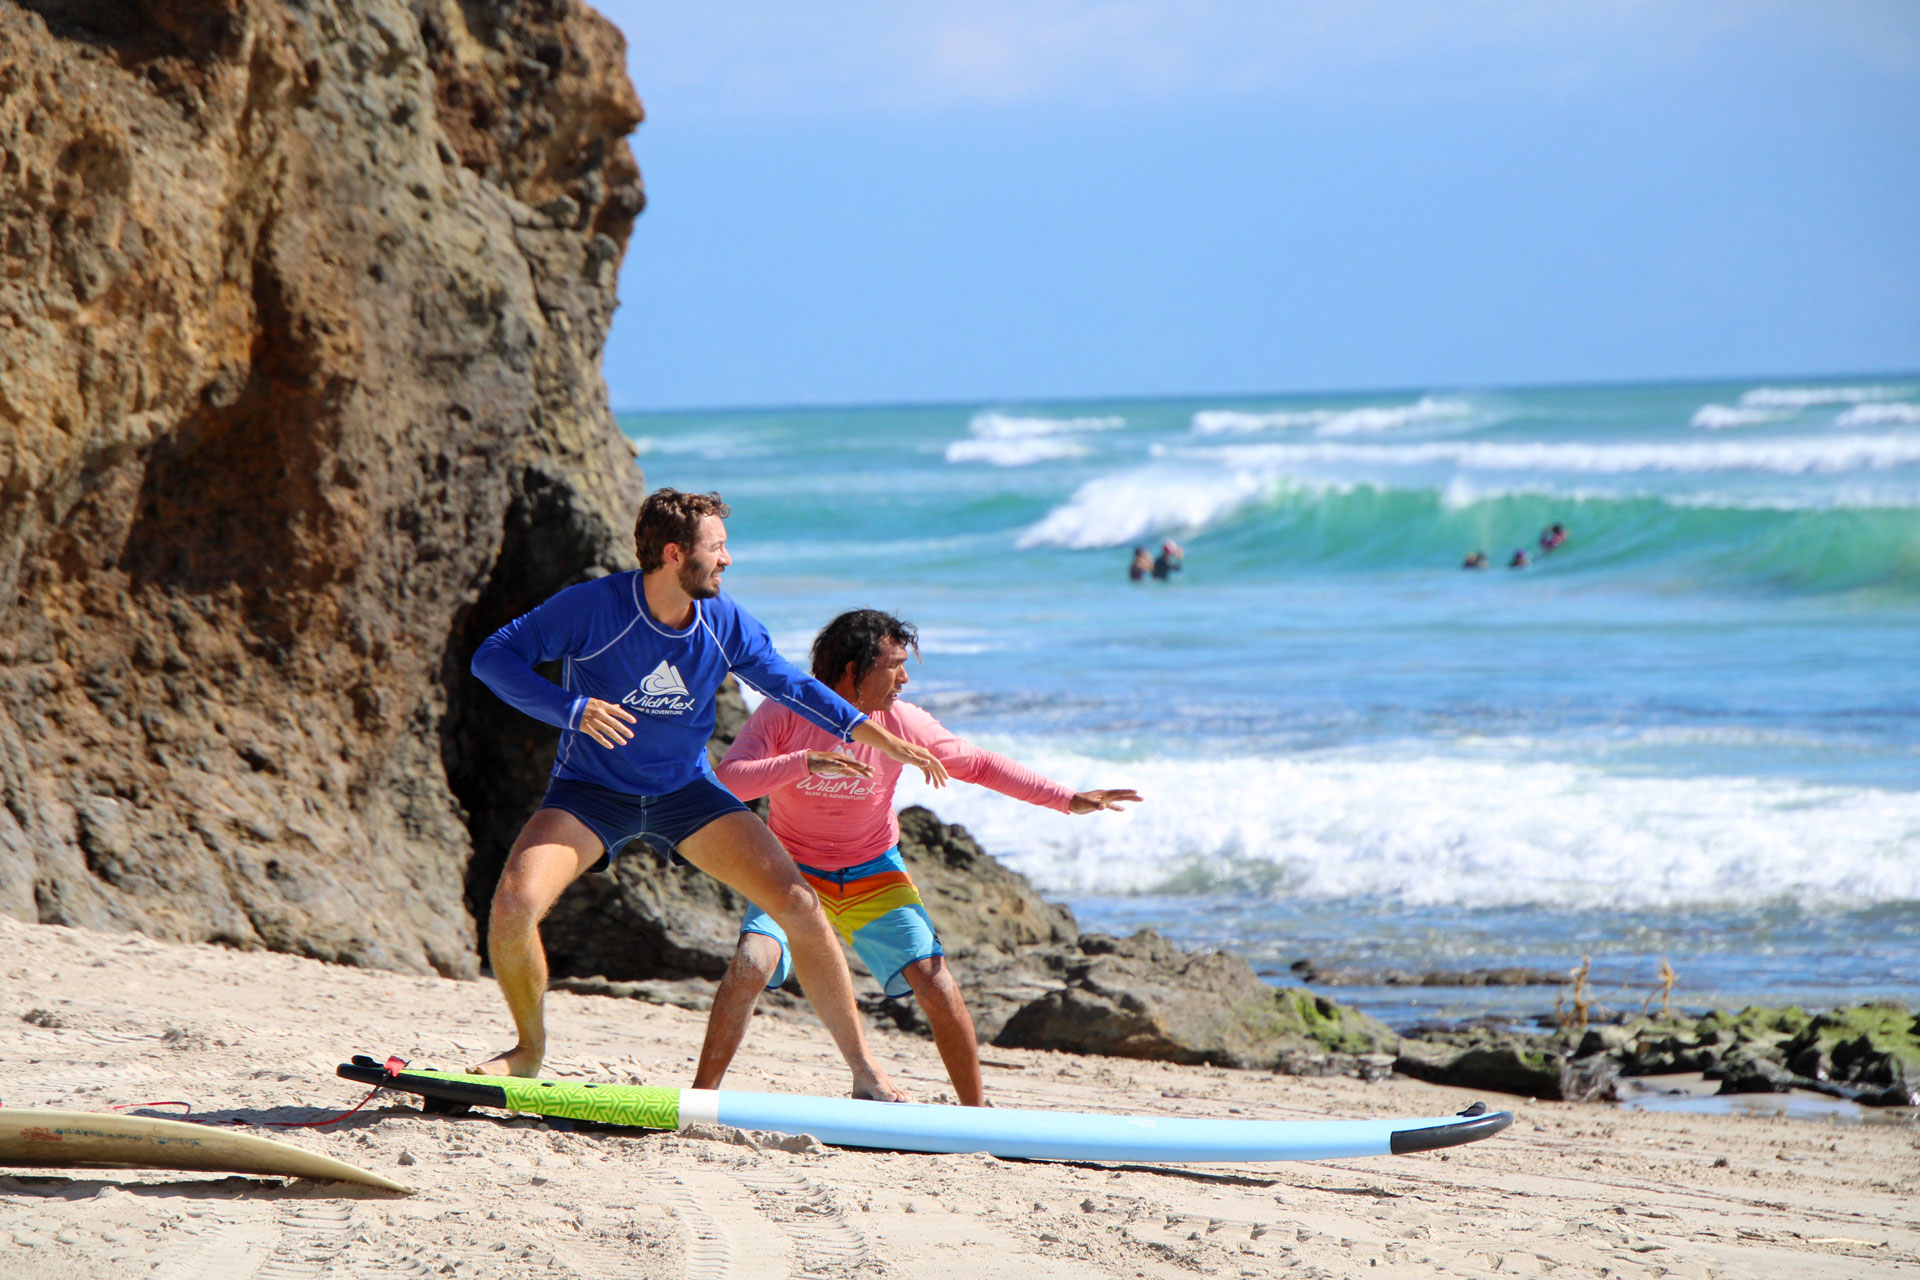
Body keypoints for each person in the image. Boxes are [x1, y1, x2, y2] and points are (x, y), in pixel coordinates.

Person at [467, 489, 952, 1101]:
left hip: (686, 793)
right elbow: (493, 657)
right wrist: (572, 708)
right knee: (513, 905)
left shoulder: (725, 624)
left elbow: (790, 684)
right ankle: (529, 1049)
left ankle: (866, 1072)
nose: (728, 559)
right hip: (592, 791)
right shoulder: (593, 609)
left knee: (801, 907)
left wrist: (870, 732)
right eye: (717, 547)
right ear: (675, 554)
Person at [695, 608, 1141, 1107]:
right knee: (751, 964)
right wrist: (804, 761)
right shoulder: (785, 712)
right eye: (895, 664)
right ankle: (700, 1098)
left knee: (935, 981)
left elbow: (978, 764)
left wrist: (1067, 798)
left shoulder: (901, 722)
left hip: (872, 870)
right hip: (791, 872)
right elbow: (728, 779)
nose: (905, 677)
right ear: (852, 671)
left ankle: (976, 1111)